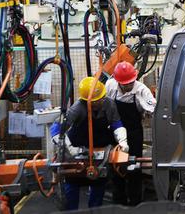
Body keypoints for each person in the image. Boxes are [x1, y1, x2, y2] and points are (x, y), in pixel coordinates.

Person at [50, 77, 129, 211]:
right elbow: (57, 128)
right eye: (97, 99)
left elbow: (116, 123)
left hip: (100, 146)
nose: (101, 100)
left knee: (99, 183)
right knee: (72, 183)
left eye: (103, 97)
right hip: (77, 147)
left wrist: (122, 140)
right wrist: (69, 148)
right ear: (87, 101)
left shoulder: (109, 104)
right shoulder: (78, 108)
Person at [105, 62, 156, 206]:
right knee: (115, 167)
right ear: (117, 80)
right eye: (125, 83)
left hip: (133, 133)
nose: (129, 85)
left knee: (135, 167)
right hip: (114, 132)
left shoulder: (141, 90)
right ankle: (118, 201)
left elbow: (154, 109)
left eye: (131, 82)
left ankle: (135, 202)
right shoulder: (110, 86)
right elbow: (102, 103)